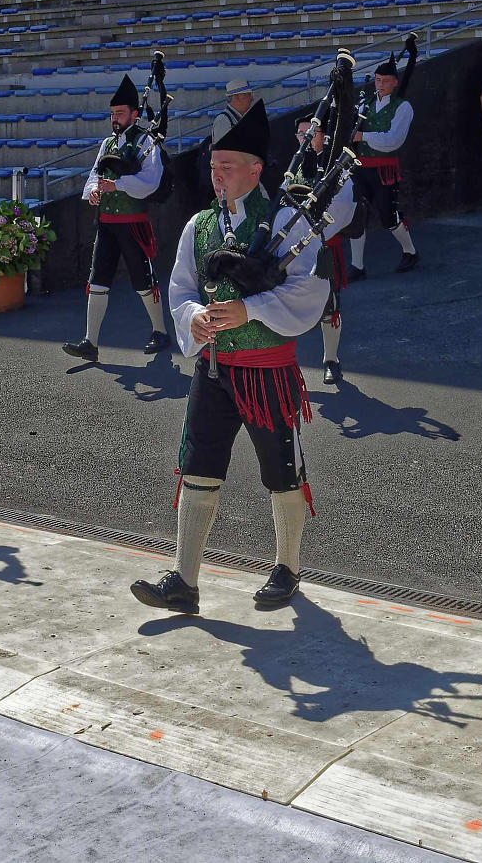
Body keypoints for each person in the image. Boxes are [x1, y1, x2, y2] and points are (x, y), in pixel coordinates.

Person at [130, 100, 328, 614]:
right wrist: (193, 315)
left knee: (282, 469)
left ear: (256, 169)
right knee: (197, 465)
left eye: (227, 165)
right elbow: (180, 288)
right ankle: (184, 581)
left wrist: (252, 309)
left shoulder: (291, 221)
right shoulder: (200, 226)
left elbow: (311, 292)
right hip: (213, 370)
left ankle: (287, 567)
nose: (216, 174)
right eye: (213, 165)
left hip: (267, 372)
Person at [63, 75, 169, 363]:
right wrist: (94, 193)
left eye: (120, 113)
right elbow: (95, 175)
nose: (115, 118)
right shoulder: (108, 143)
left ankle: (160, 331)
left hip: (133, 223)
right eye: (112, 114)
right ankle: (90, 342)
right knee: (98, 279)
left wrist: (118, 185)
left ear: (134, 114)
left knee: (143, 280)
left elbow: (151, 181)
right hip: (107, 224)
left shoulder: (146, 141)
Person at [285, 112, 356, 385]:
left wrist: (315, 232)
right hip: (294, 247)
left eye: (311, 134)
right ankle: (286, 361)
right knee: (286, 302)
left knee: (330, 306)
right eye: (302, 135)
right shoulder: (295, 166)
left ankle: (331, 360)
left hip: (324, 243)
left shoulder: (334, 163)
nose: (306, 139)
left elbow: (344, 205)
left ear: (323, 136)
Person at [349, 59, 418, 277]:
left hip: (384, 169)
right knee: (356, 217)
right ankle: (357, 266)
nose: (380, 85)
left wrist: (364, 136)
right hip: (359, 168)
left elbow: (394, 140)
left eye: (385, 81)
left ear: (395, 83)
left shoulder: (403, 107)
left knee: (388, 215)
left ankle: (410, 251)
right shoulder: (365, 105)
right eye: (378, 80)